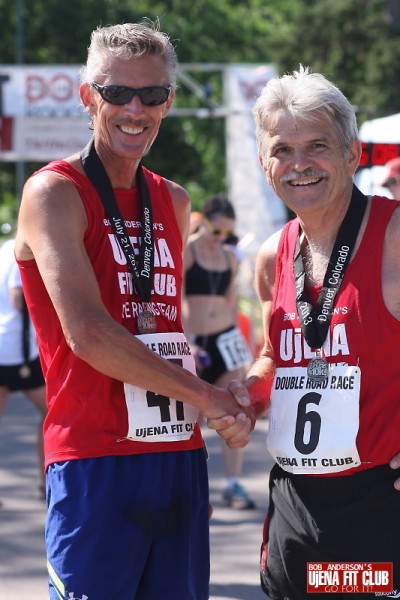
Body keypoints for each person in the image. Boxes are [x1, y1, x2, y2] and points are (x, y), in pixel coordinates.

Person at [14, 22, 254, 600]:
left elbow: (167, 329)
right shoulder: (54, 193)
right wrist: (207, 397)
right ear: (87, 96)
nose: (135, 109)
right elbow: (90, 335)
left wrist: (215, 412)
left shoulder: (174, 200)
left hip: (175, 458)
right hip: (95, 458)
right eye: (117, 92)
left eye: (152, 94)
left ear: (169, 102)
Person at [208, 65, 400, 600]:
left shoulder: (394, 236)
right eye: (282, 150)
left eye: (317, 145)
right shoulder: (272, 254)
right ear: (264, 163)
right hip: (294, 503)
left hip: (378, 502)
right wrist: (248, 397)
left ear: (351, 153)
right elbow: (277, 355)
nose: (299, 164)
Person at [183, 196, 255, 509]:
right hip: (194, 341)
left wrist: (243, 347)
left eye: (227, 233)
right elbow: (176, 299)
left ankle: (233, 484)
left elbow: (231, 303)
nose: (220, 238)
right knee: (193, 417)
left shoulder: (229, 256)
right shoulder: (187, 251)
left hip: (225, 338)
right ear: (204, 223)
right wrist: (187, 340)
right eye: (216, 231)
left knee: (234, 412)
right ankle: (189, 486)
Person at [0, 238, 47, 501]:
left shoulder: (6, 247)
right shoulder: (21, 247)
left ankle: (45, 484)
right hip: (16, 349)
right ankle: (45, 483)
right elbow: (17, 297)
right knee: (52, 413)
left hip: (10, 345)